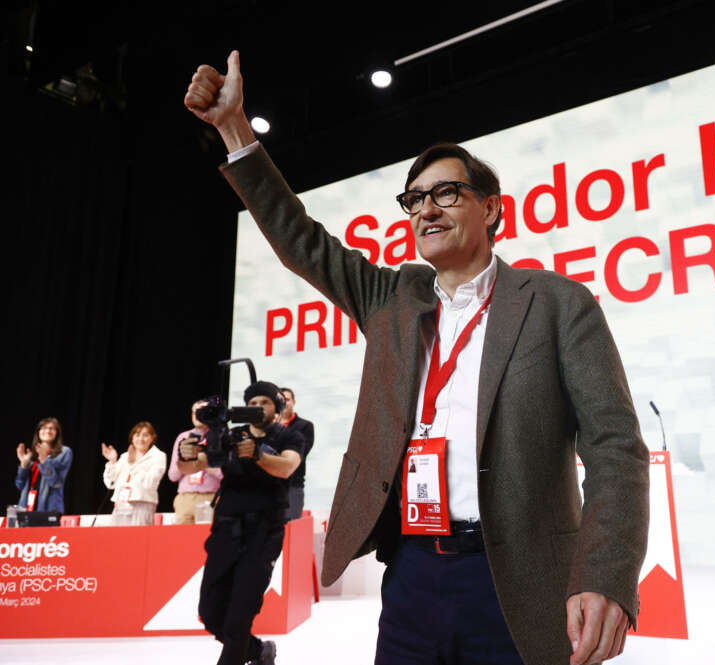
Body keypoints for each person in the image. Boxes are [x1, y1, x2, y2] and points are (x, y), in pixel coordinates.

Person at [185, 51, 649, 665]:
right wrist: (234, 129)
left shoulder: (559, 304)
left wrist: (606, 573)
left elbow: (616, 448)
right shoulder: (391, 297)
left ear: (491, 209)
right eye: (415, 200)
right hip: (411, 577)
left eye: (448, 193)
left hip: (521, 580)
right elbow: (300, 239)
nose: (426, 209)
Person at [177, 381, 303, 665]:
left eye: (265, 402)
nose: (258, 406)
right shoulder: (230, 436)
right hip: (225, 531)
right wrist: (185, 453)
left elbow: (287, 467)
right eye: (252, 401)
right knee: (210, 613)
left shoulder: (288, 436)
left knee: (239, 617)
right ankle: (259, 651)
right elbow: (192, 466)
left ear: (277, 407)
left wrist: (257, 454)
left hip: (263, 533)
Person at [101, 421, 167, 526]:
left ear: (152, 438)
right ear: (132, 438)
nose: (141, 439)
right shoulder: (124, 456)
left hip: (142, 505)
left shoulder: (158, 456)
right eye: (137, 435)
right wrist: (113, 461)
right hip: (120, 505)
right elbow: (110, 483)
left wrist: (134, 464)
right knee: (117, 539)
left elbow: (149, 483)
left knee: (138, 540)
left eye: (145, 435)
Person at [168, 399, 223, 524]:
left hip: (210, 498)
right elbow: (172, 476)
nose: (197, 416)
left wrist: (202, 461)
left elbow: (223, 474)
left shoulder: (219, 437)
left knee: (206, 539)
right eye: (194, 413)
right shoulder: (183, 437)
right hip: (185, 499)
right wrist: (187, 460)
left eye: (202, 412)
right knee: (181, 541)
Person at [15, 417, 73, 513]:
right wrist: (23, 465)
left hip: (49, 509)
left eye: (52, 428)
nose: (47, 431)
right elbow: (19, 485)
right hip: (26, 509)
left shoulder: (64, 452)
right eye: (43, 428)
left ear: (57, 433)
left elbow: (56, 483)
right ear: (38, 432)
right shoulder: (31, 455)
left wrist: (44, 461)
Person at [277, 387, 313, 520]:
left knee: (290, 527)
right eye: (280, 400)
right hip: (268, 486)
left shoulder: (304, 426)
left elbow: (301, 454)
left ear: (294, 402)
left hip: (293, 486)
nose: (284, 403)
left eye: (287, 399)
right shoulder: (268, 426)